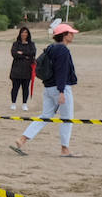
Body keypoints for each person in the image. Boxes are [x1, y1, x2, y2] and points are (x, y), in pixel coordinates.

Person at [10, 21, 80, 157]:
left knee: (45, 116)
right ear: (64, 35)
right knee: (67, 118)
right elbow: (62, 71)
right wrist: (61, 91)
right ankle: (65, 149)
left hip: (48, 87)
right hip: (59, 88)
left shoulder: (51, 47)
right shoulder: (63, 50)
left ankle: (22, 139)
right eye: (70, 33)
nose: (73, 35)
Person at [9, 25, 36, 110]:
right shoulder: (16, 44)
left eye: (26, 32)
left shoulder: (31, 44)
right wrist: (25, 56)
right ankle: (13, 103)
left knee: (25, 88)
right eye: (23, 32)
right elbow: (14, 54)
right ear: (20, 34)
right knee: (15, 87)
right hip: (16, 69)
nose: (24, 34)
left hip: (27, 70)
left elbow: (32, 53)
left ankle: (24, 104)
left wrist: (22, 53)